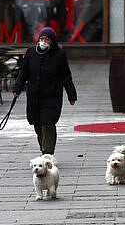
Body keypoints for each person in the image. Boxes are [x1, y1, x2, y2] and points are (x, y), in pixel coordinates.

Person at [12, 27, 77, 155]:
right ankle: (44, 148)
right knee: (37, 123)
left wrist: (71, 94)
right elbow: (23, 72)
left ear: (52, 41)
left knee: (48, 122)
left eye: (47, 39)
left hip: (52, 95)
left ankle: (47, 153)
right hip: (34, 95)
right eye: (41, 39)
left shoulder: (59, 55)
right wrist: (17, 88)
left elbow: (66, 76)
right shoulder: (31, 53)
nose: (43, 41)